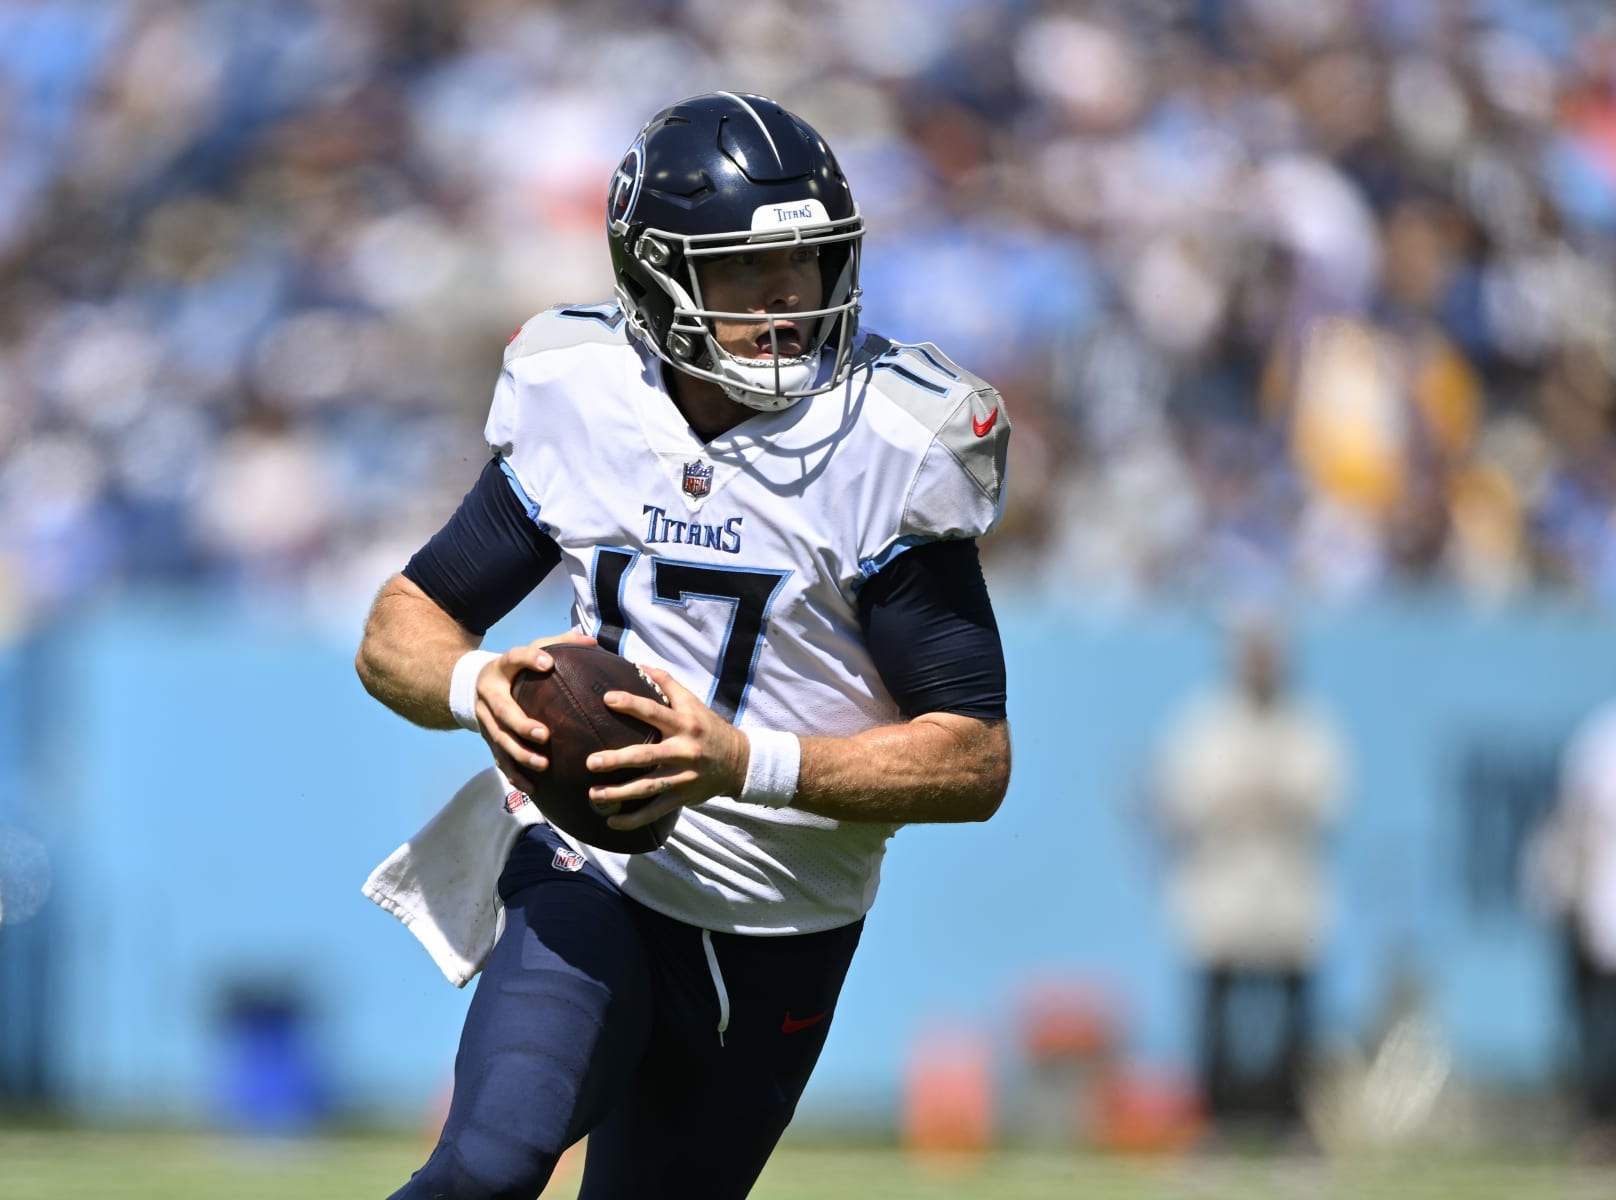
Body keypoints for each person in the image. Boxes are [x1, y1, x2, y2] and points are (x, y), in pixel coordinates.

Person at [355, 92, 1011, 1198]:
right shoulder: (585, 393)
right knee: (486, 1166)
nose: (787, 302)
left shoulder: (885, 443)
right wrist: (481, 686)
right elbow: (398, 629)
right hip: (590, 873)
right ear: (656, 275)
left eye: (806, 266)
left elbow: (972, 758)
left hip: (781, 927)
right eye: (749, 274)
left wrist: (740, 761)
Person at [1153, 618, 1347, 1135]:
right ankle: (1214, 1121)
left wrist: (1265, 796)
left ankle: (1292, 1122)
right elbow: (1179, 799)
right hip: (1223, 884)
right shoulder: (1206, 722)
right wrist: (1246, 798)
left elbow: (1331, 798)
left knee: (1295, 1010)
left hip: (1286, 885)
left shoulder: (1307, 722)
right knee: (1214, 1008)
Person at [1526, 699, 1616, 1149]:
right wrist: (1570, 899)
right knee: (1599, 1026)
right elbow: (1573, 824)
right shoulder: (1601, 738)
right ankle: (1600, 1124)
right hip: (1602, 907)